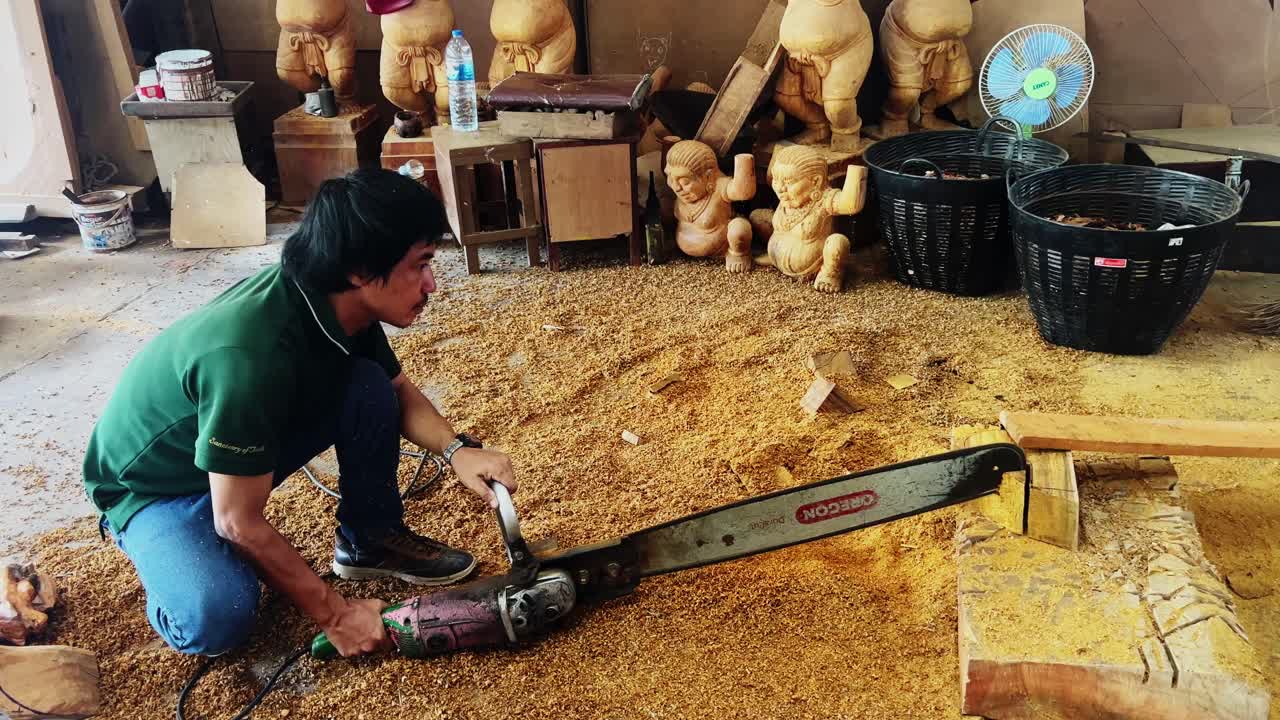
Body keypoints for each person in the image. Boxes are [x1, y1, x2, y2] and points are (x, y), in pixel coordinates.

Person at [82, 169, 516, 658]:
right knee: (217, 616)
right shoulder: (247, 357)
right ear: (358, 268)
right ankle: (158, 549)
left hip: (232, 449)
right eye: (420, 265)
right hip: (153, 487)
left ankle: (369, 541)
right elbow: (237, 522)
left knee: (367, 384)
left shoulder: (338, 302)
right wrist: (335, 614)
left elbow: (396, 390)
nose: (432, 284)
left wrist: (457, 452)